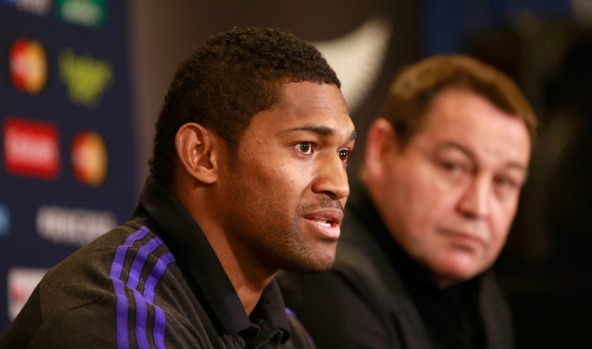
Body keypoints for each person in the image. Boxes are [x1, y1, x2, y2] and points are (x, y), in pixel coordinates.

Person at [0, 26, 356, 348]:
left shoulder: (287, 332)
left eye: (343, 154)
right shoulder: (112, 314)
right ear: (202, 155)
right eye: (305, 147)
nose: (339, 185)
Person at [278, 54, 538, 349]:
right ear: (383, 150)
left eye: (504, 181)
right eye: (454, 167)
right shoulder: (326, 278)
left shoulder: (479, 293)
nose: (478, 207)